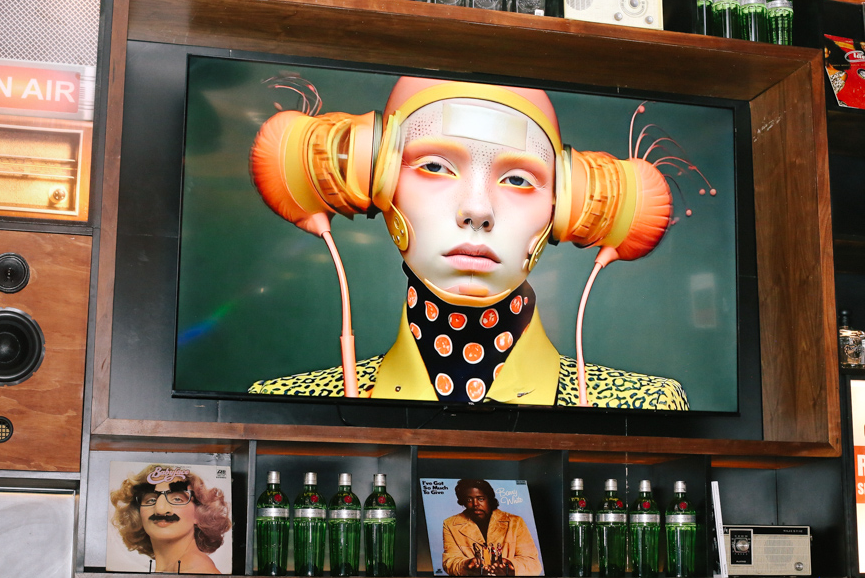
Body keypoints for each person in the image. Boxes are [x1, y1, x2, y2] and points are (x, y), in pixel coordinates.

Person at [248, 76, 689, 410]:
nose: (477, 210)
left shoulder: (646, 407)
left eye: (518, 179)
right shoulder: (285, 406)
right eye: (434, 166)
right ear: (374, 178)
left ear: (568, 206)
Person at [110, 464, 232, 574]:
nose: (160, 509)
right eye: (151, 500)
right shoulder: (176, 569)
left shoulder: (194, 569)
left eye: (177, 499)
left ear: (199, 513)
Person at [441, 479, 541, 576]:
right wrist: (467, 566)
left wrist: (510, 568)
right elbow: (449, 561)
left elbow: (533, 563)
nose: (475, 504)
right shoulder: (450, 524)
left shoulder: (515, 522)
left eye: (480, 499)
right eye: (469, 499)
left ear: (489, 499)